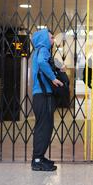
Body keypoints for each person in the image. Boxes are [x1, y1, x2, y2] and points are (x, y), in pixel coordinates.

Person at [31, 29, 63, 172]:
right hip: (43, 96)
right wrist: (53, 77)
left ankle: (40, 157)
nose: (52, 40)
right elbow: (41, 63)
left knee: (44, 128)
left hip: (41, 96)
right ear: (43, 39)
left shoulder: (39, 50)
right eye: (50, 37)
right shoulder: (43, 49)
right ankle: (37, 160)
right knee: (44, 128)